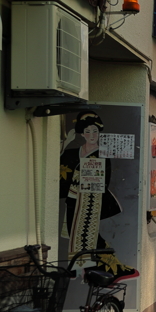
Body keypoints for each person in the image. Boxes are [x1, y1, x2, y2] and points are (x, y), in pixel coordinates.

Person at [59, 111, 138, 281]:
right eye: (88, 131)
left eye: (95, 131)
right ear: (81, 133)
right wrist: (66, 142)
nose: (92, 135)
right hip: (73, 199)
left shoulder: (102, 154)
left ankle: (104, 265)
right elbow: (57, 163)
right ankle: (78, 268)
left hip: (91, 200)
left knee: (88, 233)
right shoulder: (74, 152)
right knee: (75, 234)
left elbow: (103, 181)